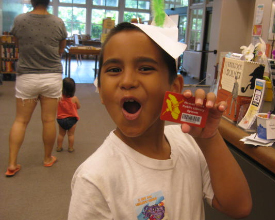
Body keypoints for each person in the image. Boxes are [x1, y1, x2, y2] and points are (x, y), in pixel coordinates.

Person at [68, 20, 252, 219]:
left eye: (145, 68)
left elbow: (238, 206)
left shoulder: (189, 143)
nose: (128, 81)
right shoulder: (94, 178)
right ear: (101, 91)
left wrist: (209, 138)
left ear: (174, 88)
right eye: (114, 70)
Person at [5, 0, 67, 177]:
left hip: (27, 77)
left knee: (20, 121)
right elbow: (60, 49)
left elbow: (18, 44)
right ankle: (47, 158)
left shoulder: (19, 20)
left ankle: (11, 163)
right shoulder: (58, 22)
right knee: (48, 120)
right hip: (51, 76)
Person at [56, 77, 81, 153]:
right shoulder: (74, 98)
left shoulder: (59, 98)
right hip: (72, 119)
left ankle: (59, 147)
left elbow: (55, 105)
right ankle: (70, 148)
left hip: (61, 119)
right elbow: (79, 107)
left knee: (61, 134)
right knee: (71, 135)